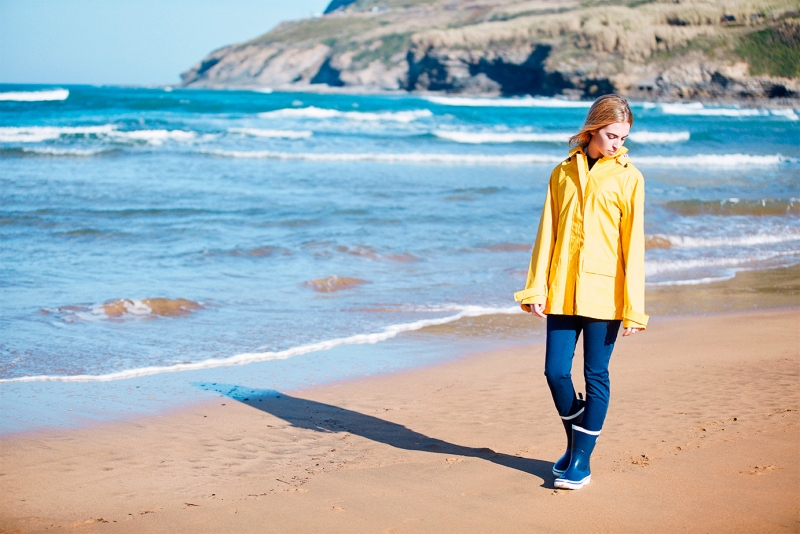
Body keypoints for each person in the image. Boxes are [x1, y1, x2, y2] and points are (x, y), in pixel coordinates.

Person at [514, 94, 648, 490]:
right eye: (610, 135)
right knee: (554, 372)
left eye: (622, 138)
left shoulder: (629, 177)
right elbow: (547, 235)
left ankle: (581, 462)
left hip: (605, 294)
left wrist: (634, 310)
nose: (616, 144)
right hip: (561, 289)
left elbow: (633, 247)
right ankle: (577, 444)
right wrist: (536, 287)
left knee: (595, 375)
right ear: (592, 129)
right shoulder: (561, 172)